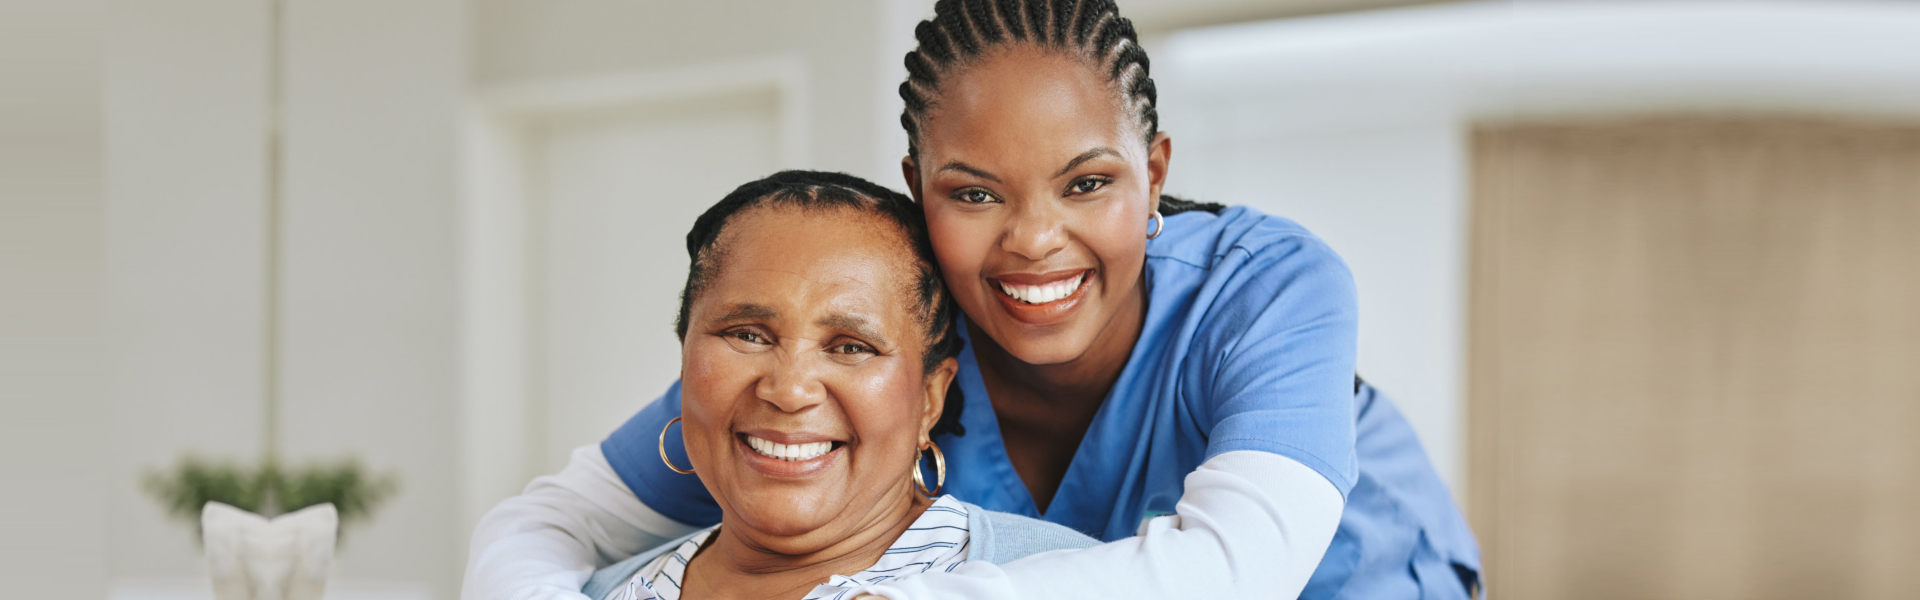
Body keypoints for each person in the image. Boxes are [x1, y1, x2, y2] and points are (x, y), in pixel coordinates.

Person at [465, 1, 1479, 598]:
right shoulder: (875, 342)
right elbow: (547, 524)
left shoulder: (1265, 287)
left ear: (1156, 172)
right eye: (975, 192)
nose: (1034, 240)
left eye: (1088, 183)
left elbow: (1240, 568)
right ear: (918, 188)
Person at [575, 171, 1099, 600]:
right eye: (748, 334)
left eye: (851, 346)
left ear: (929, 399)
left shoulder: (1061, 578)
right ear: (685, 357)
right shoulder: (598, 592)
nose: (790, 389)